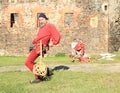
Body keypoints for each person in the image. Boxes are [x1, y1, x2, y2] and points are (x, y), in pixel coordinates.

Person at [25, 13, 60, 84]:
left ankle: (39, 77)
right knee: (29, 62)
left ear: (46, 19)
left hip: (41, 47)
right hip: (37, 47)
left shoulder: (50, 26)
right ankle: (46, 71)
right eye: (39, 20)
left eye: (42, 19)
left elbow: (57, 35)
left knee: (28, 62)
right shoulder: (41, 28)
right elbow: (38, 38)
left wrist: (53, 43)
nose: (41, 21)